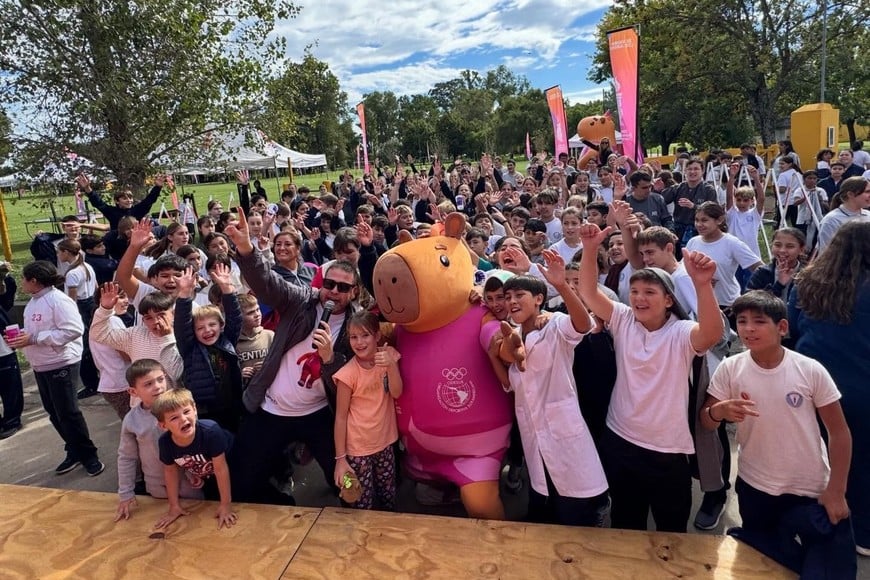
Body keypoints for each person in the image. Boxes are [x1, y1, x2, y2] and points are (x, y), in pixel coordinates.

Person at [577, 223, 723, 532]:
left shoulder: (680, 332)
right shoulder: (624, 319)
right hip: (619, 440)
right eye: (634, 292)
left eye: (649, 292)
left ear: (669, 300)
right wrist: (590, 250)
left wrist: (703, 285)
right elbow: (588, 292)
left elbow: (711, 333)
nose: (639, 298)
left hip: (667, 451)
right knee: (626, 524)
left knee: (671, 531)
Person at [703, 291, 855, 577]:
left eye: (759, 321)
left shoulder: (809, 370)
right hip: (755, 486)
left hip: (809, 489)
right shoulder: (730, 368)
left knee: (821, 567)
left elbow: (839, 432)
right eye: (742, 321)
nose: (748, 329)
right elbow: (707, 423)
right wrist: (719, 411)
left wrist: (836, 490)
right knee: (760, 565)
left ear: (782, 328)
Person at [223, 211, 359, 505]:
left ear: (354, 292)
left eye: (343, 288)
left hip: (320, 414)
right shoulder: (301, 300)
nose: (333, 292)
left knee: (348, 488)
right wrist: (247, 250)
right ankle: (281, 501)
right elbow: (266, 283)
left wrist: (330, 359)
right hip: (272, 410)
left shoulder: (355, 327)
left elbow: (351, 382)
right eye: (329, 284)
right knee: (241, 482)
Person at [498, 250, 609, 527]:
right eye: (508, 297)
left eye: (519, 295)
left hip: (563, 432)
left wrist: (560, 285)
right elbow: (511, 383)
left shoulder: (554, 324)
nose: (512, 301)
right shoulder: (510, 337)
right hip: (534, 435)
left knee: (573, 513)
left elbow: (583, 325)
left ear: (538, 299)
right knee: (541, 505)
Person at [789, 221, 870, 557]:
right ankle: (863, 533)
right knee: (862, 463)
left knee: (813, 456)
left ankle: (809, 524)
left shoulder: (805, 283)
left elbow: (792, 330)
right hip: (861, 390)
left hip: (810, 387)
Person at [6, 261, 104, 476]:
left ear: (34, 281)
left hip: (62, 364)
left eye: (23, 278)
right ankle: (74, 449)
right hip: (41, 366)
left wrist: (35, 338)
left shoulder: (58, 301)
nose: (22, 283)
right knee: (54, 412)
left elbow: (74, 330)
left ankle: (89, 455)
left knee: (68, 412)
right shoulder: (34, 302)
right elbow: (36, 331)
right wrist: (25, 337)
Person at [115, 360, 202, 522]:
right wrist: (126, 492)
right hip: (157, 485)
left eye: (161, 379)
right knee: (164, 526)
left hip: (188, 481)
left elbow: (197, 443)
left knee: (199, 521)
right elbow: (127, 457)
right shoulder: (131, 421)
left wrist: (193, 471)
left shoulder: (182, 410)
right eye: (148, 384)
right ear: (133, 391)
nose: (158, 386)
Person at [332, 311, 402, 510]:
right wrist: (340, 460)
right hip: (357, 451)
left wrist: (391, 366)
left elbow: (397, 393)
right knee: (359, 499)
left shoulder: (389, 356)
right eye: (354, 337)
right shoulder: (347, 374)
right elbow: (340, 418)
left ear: (377, 336)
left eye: (365, 335)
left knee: (389, 494)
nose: (359, 342)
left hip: (385, 443)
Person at [152, 388, 237, 530]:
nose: (184, 419)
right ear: (163, 425)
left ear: (195, 409)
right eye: (174, 418)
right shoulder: (165, 443)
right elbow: (170, 472)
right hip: (210, 473)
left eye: (186, 412)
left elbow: (221, 469)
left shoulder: (211, 431)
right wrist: (174, 506)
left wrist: (225, 505)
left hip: (233, 464)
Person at [174, 264, 243, 432]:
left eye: (212, 324)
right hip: (205, 410)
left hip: (233, 405)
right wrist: (184, 294)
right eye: (200, 328)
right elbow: (182, 324)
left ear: (221, 326)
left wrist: (227, 289)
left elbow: (235, 318)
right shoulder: (190, 348)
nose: (207, 330)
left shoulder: (227, 342)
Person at [91, 282, 184, 384]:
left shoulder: (184, 336)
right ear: (143, 321)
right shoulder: (135, 335)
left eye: (161, 315)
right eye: (149, 318)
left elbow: (176, 374)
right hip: (141, 399)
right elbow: (98, 335)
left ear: (173, 314)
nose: (156, 321)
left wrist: (166, 337)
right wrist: (105, 309)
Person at [685, 202, 762, 323]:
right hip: (699, 303)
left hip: (726, 304)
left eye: (704, 220)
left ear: (719, 220)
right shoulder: (693, 242)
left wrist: (748, 296)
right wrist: (699, 280)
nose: (699, 225)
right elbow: (684, 271)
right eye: (697, 220)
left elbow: (760, 268)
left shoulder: (732, 243)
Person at [90, 285, 134, 420]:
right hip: (121, 383)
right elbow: (126, 355)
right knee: (135, 424)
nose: (126, 301)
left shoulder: (100, 322)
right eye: (120, 297)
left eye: (126, 296)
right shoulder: (113, 321)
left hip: (111, 382)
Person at [76, 174, 165, 232]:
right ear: (117, 201)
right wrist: (87, 188)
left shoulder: (137, 210)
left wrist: (157, 187)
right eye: (124, 198)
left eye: (130, 198)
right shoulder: (112, 212)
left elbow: (149, 200)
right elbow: (98, 202)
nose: (129, 200)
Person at [815, 176, 870, 254]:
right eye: (867, 192)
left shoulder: (868, 215)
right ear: (850, 194)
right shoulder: (832, 220)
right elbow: (826, 253)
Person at [0, 267, 23, 439]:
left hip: (3, 351)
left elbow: (7, 298)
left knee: (10, 388)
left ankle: (12, 421)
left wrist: (5, 275)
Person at [236, 293, 274, 388]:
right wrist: (239, 374)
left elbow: (281, 364)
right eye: (250, 312)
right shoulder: (233, 341)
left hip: (269, 391)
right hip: (244, 392)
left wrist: (267, 367)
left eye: (257, 309)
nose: (257, 315)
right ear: (238, 316)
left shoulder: (269, 335)